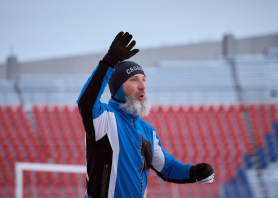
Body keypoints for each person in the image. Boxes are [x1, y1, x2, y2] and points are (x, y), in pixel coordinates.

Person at [77, 32, 214, 198]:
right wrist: (109, 60)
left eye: (144, 79)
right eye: (134, 80)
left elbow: (167, 167)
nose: (142, 86)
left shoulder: (148, 131)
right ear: (118, 87)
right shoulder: (105, 118)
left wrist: (193, 172)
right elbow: (86, 102)